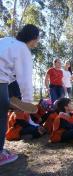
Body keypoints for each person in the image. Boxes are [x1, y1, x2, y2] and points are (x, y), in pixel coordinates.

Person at [0, 24, 40, 166]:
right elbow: (25, 79)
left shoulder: (6, 40)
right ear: (33, 38)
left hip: (3, 78)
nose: (37, 42)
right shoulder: (23, 49)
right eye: (38, 39)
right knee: (1, 115)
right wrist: (27, 102)